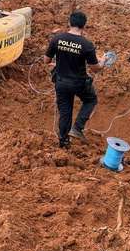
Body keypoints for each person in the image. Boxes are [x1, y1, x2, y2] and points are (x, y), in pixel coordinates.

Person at [45, 11, 108, 148]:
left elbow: (46, 60)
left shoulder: (57, 39)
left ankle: (63, 142)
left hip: (61, 82)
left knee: (65, 112)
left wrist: (59, 62)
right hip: (78, 82)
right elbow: (95, 68)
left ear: (69, 22)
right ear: (84, 26)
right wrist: (103, 61)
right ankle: (77, 128)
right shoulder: (86, 45)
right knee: (91, 100)